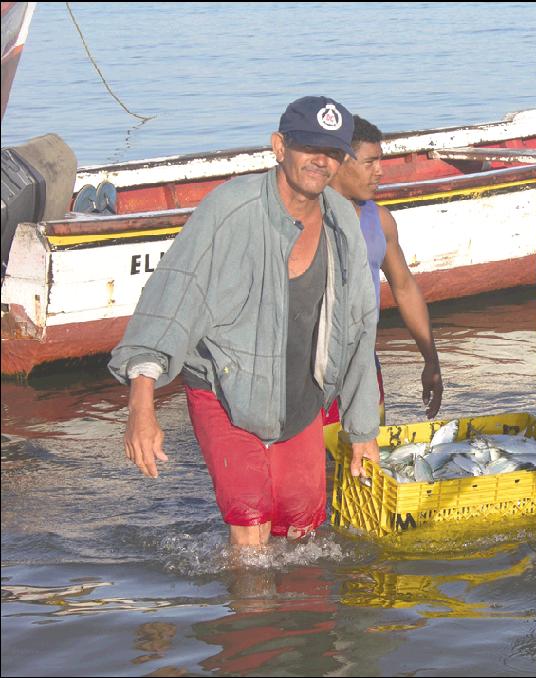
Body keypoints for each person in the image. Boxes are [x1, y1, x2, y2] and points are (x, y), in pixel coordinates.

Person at [109, 96, 381, 547]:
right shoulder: (230, 209)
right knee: (250, 524)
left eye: (332, 152)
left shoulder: (340, 221)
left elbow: (359, 326)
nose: (321, 161)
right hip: (226, 388)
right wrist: (142, 407)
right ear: (279, 147)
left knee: (301, 533)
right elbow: (170, 301)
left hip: (300, 397)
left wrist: (363, 430)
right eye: (308, 147)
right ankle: (249, 614)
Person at [325, 115, 443, 449]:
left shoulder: (381, 220)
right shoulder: (308, 218)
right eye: (369, 163)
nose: (380, 172)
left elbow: (404, 288)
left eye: (382, 161)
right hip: (313, 371)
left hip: (363, 363)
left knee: (366, 462)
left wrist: (430, 359)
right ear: (338, 164)